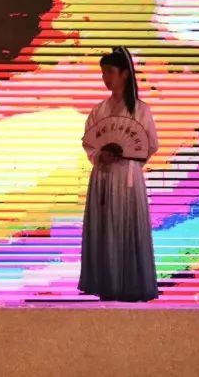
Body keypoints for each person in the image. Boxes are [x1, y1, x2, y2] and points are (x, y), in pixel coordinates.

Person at [78, 46, 160, 302]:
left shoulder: (140, 110)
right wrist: (100, 155)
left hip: (128, 177)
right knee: (105, 230)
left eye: (110, 72)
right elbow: (89, 142)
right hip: (103, 175)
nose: (106, 78)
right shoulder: (99, 110)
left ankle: (130, 285)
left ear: (125, 74)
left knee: (127, 229)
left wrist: (131, 157)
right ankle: (107, 284)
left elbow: (150, 144)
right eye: (103, 73)